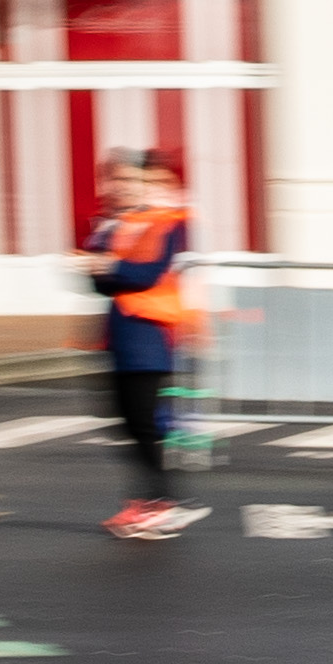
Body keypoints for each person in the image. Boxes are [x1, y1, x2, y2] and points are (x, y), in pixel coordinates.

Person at [83, 151, 204, 543]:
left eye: (130, 181)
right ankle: (142, 500)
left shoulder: (163, 224)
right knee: (124, 426)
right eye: (115, 181)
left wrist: (110, 268)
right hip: (117, 337)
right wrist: (110, 269)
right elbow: (96, 280)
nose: (120, 188)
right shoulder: (114, 226)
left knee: (146, 426)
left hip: (150, 338)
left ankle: (164, 503)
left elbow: (146, 274)